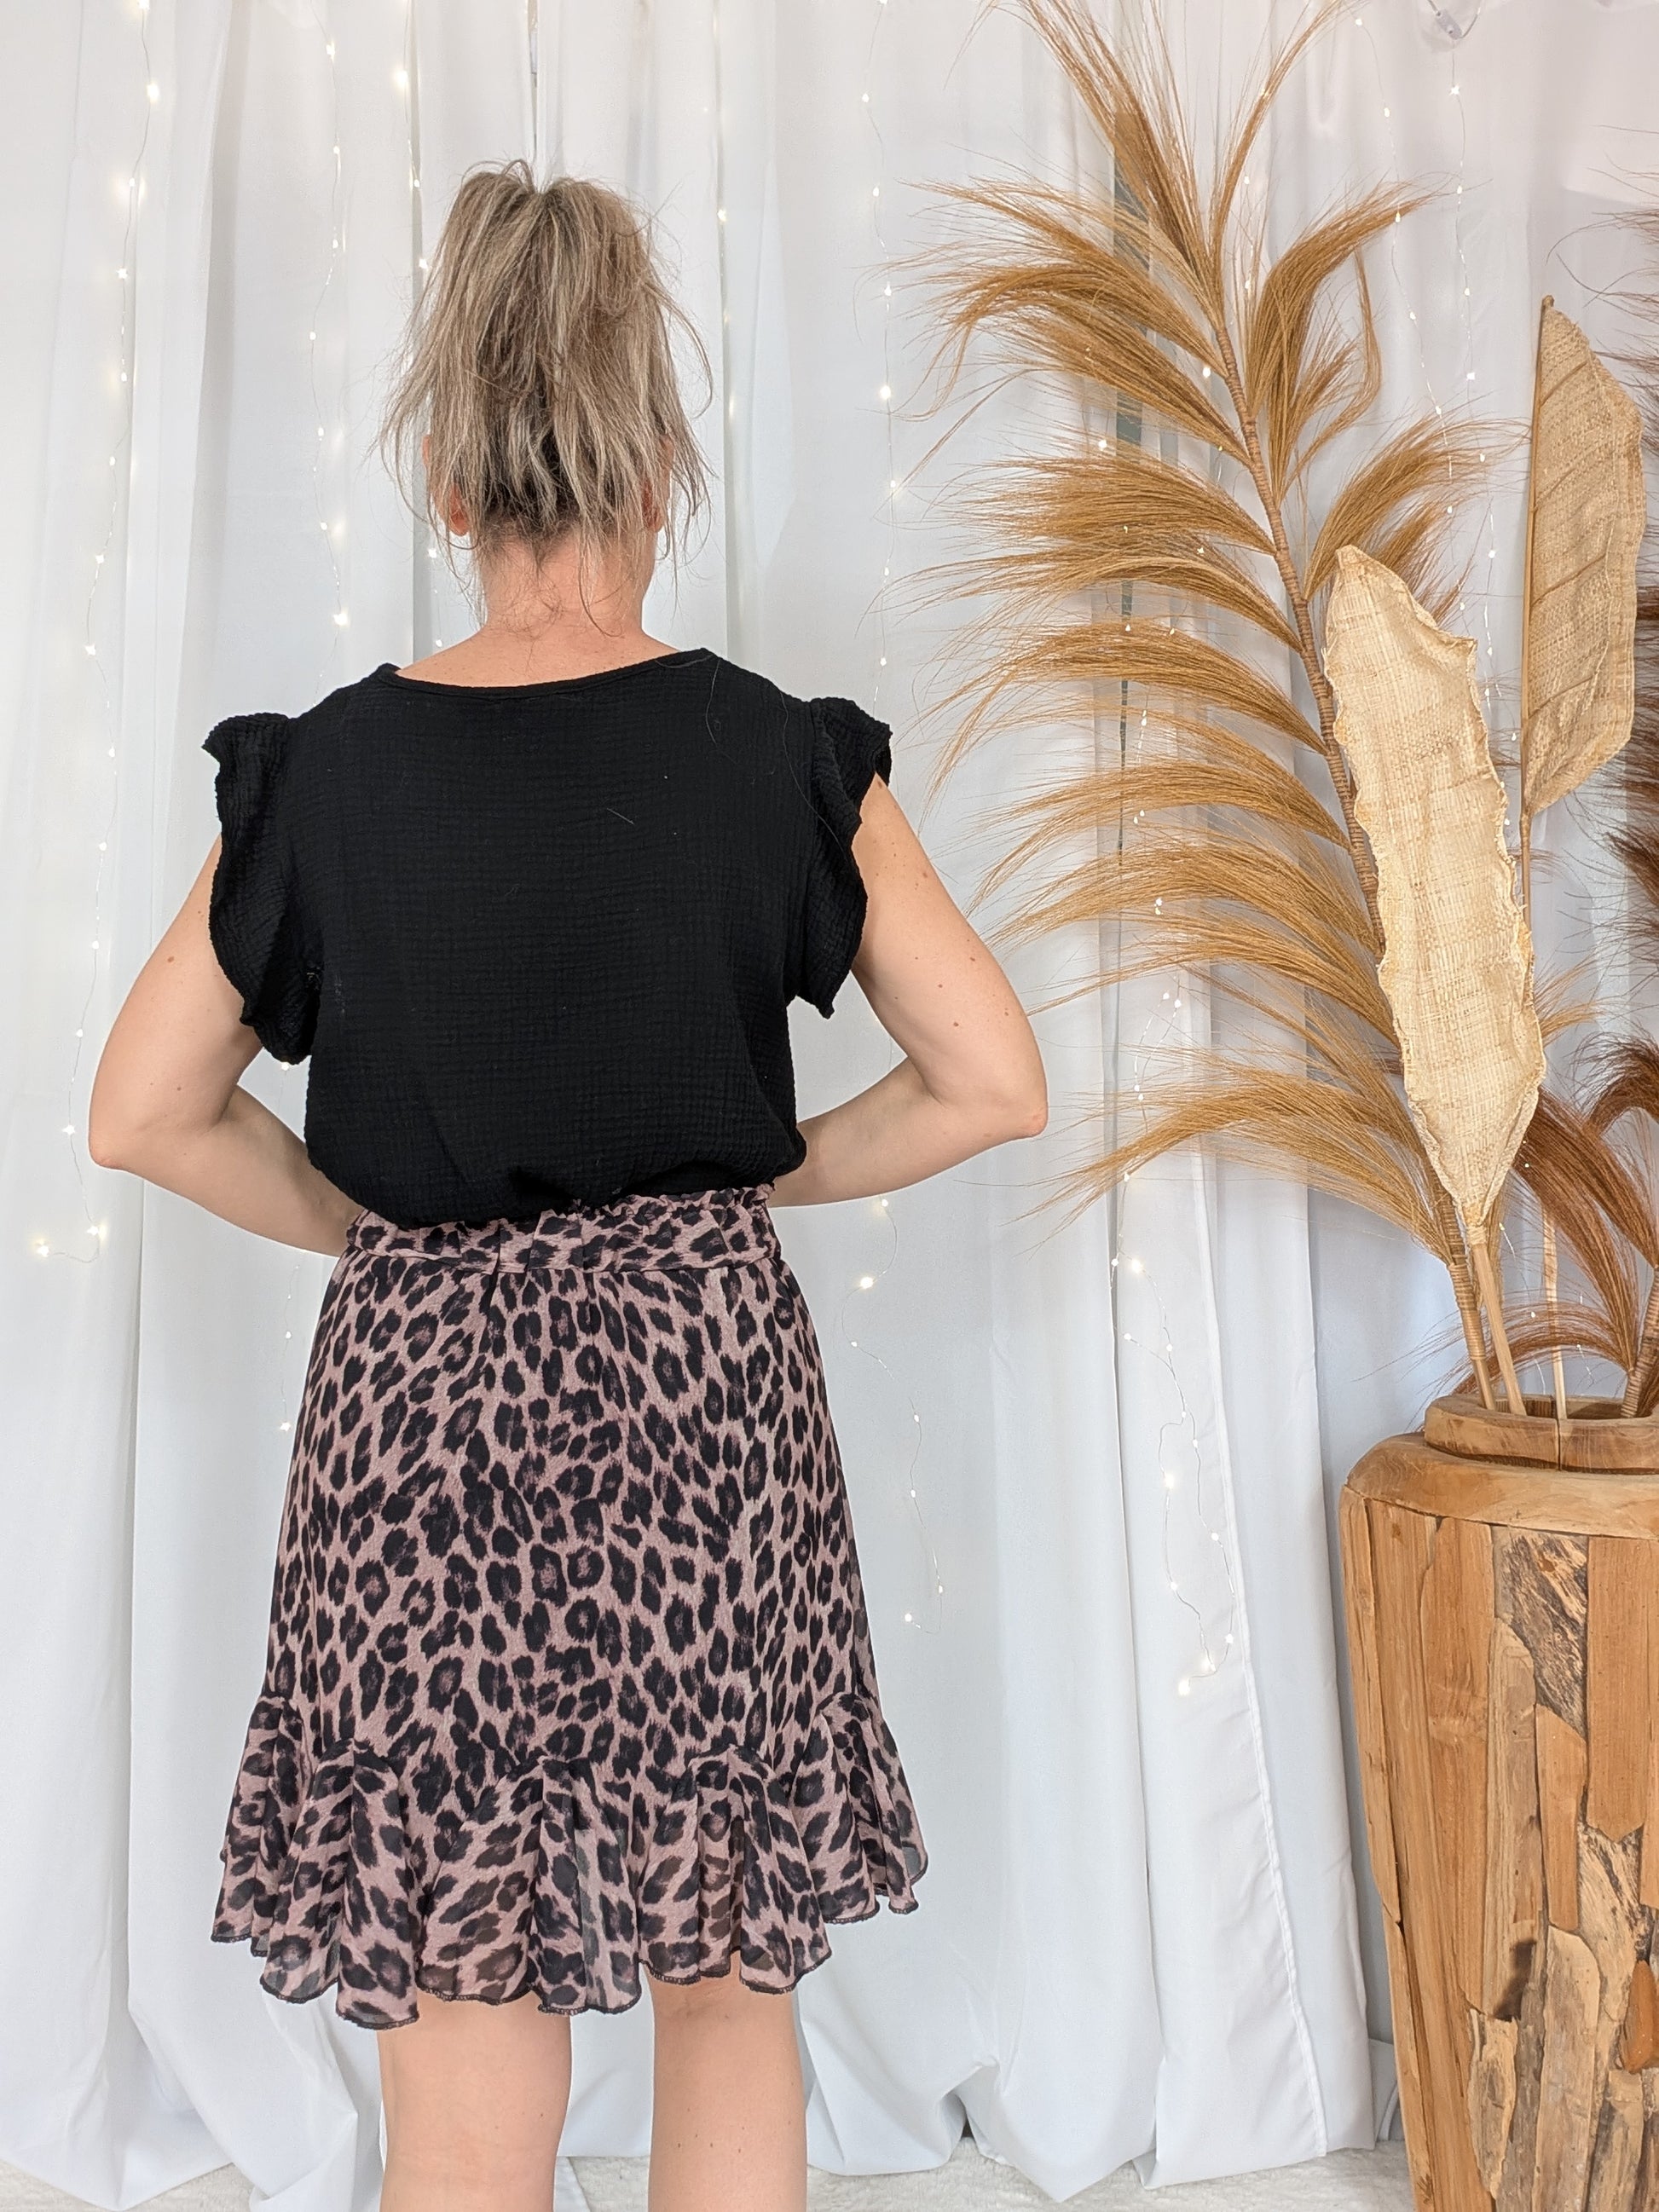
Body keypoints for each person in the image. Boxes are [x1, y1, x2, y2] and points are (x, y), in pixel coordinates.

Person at [88, 161, 1046, 2212]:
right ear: (659, 464)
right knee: (724, 1967)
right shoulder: (776, 755)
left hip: (422, 1417)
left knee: (463, 1990)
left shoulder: (329, 774)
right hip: (705, 1392)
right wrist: (752, 1177)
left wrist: (374, 1228)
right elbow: (992, 1077)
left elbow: (142, 1112)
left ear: (450, 478)